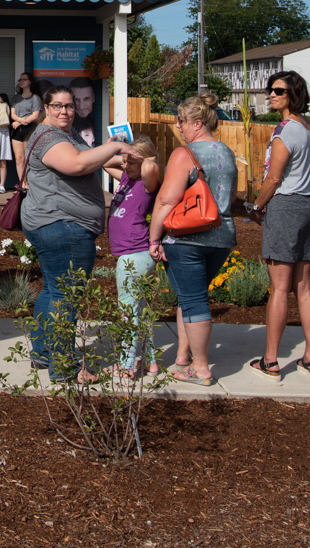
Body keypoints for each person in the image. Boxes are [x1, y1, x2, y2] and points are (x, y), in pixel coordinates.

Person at [23, 86, 140, 380]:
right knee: (66, 295)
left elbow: (92, 158)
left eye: (70, 106)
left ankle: (42, 352)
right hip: (62, 224)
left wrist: (124, 157)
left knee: (53, 289)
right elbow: (76, 164)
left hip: (59, 223)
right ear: (46, 108)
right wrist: (114, 148)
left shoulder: (69, 135)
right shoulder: (48, 136)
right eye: (58, 106)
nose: (64, 111)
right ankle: (63, 367)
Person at [148, 94, 238, 386]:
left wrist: (154, 238)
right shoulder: (226, 152)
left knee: (194, 300)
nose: (179, 126)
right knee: (190, 296)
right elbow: (231, 196)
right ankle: (183, 358)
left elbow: (165, 200)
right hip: (221, 237)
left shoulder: (184, 154)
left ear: (197, 123)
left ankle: (200, 369)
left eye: (182, 121)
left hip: (187, 238)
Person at [245, 70, 310, 383]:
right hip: (308, 206)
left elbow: (274, 179)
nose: (271, 95)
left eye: (278, 90)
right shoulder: (308, 127)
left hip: (286, 206)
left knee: (279, 287)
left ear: (293, 93)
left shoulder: (286, 130)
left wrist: (256, 206)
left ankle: (271, 361)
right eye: (270, 90)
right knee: (303, 286)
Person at [102, 134, 161, 377]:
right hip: (130, 254)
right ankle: (151, 361)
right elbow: (105, 163)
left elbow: (150, 166)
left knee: (128, 311)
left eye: (130, 162)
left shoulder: (148, 184)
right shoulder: (127, 177)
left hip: (134, 254)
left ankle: (127, 366)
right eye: (125, 161)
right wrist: (115, 146)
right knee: (140, 309)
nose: (125, 166)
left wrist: (142, 155)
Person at [10, 71, 43, 177]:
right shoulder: (16, 98)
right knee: (19, 159)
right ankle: (22, 185)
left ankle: (29, 185)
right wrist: (20, 120)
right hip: (17, 131)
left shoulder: (35, 98)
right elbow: (13, 114)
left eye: (24, 79)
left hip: (30, 129)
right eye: (20, 80)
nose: (21, 81)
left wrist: (20, 122)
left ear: (30, 82)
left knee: (28, 157)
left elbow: (35, 115)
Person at [69, 76, 98, 147]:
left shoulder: (103, 116)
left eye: (86, 99)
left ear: (93, 98)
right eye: (76, 100)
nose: (81, 106)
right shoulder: (65, 119)